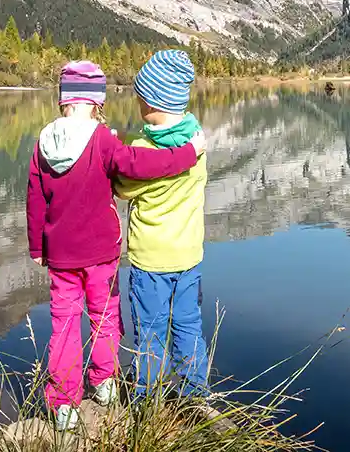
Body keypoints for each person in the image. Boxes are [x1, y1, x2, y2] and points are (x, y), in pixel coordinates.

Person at [26, 60, 206, 432]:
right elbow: (135, 165)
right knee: (106, 318)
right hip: (104, 254)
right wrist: (188, 154)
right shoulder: (103, 139)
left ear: (63, 101)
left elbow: (35, 197)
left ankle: (63, 404)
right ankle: (106, 382)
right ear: (96, 103)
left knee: (64, 325)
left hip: (60, 255)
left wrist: (37, 246)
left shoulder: (44, 143)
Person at [114, 49, 210, 400]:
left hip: (151, 261)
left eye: (140, 98)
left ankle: (146, 402)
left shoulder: (142, 147)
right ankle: (195, 398)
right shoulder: (196, 139)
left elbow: (123, 188)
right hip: (188, 256)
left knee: (150, 334)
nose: (138, 103)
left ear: (151, 103)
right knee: (188, 328)